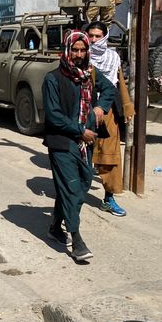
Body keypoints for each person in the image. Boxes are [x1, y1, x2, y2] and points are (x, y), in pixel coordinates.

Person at [42, 30, 115, 261]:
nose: (79, 55)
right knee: (72, 188)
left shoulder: (90, 74)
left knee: (81, 185)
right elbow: (53, 115)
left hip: (86, 143)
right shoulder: (52, 79)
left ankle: (55, 227)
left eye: (83, 50)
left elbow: (110, 89)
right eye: (75, 50)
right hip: (62, 143)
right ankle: (77, 239)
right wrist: (80, 131)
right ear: (67, 50)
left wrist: (100, 107)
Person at [87, 21, 134, 217]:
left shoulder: (113, 58)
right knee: (83, 153)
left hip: (108, 112)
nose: (94, 40)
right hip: (85, 110)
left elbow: (120, 83)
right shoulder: (81, 54)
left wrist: (127, 107)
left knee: (110, 155)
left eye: (98, 36)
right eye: (91, 36)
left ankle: (108, 198)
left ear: (105, 37)